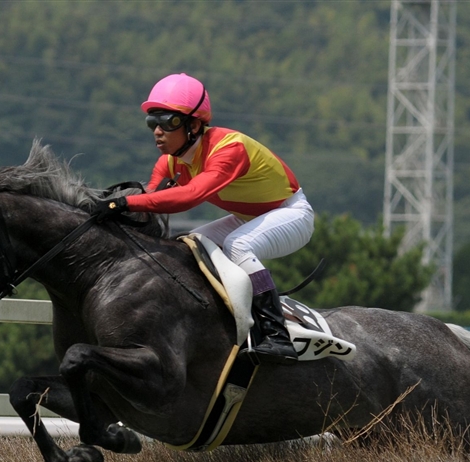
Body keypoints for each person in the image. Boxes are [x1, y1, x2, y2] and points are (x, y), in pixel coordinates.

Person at [96, 73, 314, 364]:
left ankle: (278, 336)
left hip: (292, 214)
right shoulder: (170, 162)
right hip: (247, 217)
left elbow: (190, 196)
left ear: (195, 125)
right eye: (152, 122)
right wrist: (106, 209)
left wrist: (122, 203)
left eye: (168, 122)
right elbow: (150, 203)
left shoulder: (229, 149)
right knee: (190, 244)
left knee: (238, 245)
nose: (157, 131)